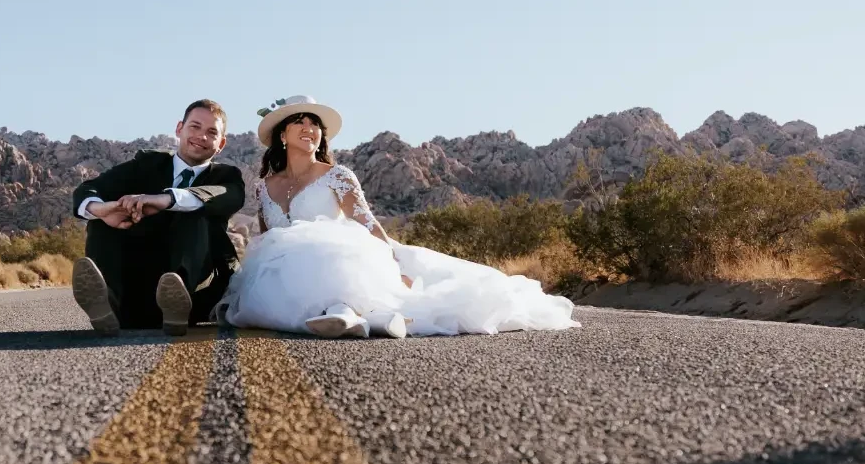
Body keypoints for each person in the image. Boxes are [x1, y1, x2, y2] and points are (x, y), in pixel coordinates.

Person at [220, 95, 578, 338]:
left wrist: (393, 265)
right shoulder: (265, 186)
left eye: (314, 124)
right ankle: (373, 318)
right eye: (299, 122)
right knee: (274, 275)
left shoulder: (337, 175)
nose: (309, 129)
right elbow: (266, 237)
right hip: (281, 272)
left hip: (337, 258)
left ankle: (350, 310)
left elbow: (367, 224)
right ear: (282, 135)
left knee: (318, 248)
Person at [71, 99, 245, 335]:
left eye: (211, 132)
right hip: (136, 281)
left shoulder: (227, 177)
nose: (201, 136)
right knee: (103, 219)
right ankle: (108, 305)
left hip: (194, 290)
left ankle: (177, 302)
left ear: (221, 144)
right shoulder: (146, 164)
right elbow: (89, 189)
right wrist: (101, 210)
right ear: (179, 129)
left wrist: (166, 200)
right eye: (195, 127)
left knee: (194, 211)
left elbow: (228, 196)